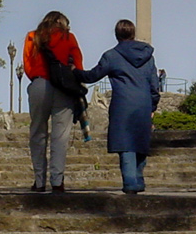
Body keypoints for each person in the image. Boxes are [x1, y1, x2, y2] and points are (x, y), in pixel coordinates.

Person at [73, 19, 160, 194]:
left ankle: (130, 182)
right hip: (143, 104)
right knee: (140, 141)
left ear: (116, 35)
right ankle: (139, 179)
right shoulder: (148, 57)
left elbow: (92, 76)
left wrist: (74, 71)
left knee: (125, 143)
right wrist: (152, 106)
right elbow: (154, 86)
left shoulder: (112, 56)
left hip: (122, 104)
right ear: (133, 33)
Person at [23, 11, 84, 193]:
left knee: (37, 132)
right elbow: (78, 66)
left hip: (39, 84)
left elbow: (28, 65)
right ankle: (57, 181)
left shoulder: (32, 37)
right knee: (60, 137)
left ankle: (39, 181)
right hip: (63, 88)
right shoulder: (69, 38)